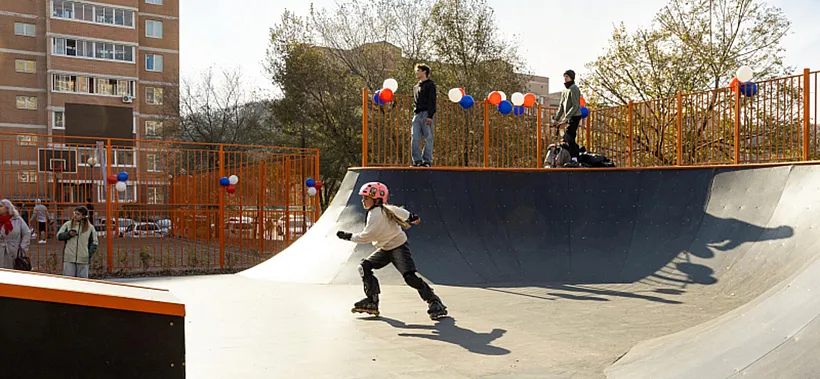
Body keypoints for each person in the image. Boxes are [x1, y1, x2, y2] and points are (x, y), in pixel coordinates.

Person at [336, 182, 448, 320]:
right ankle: (372, 301)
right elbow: (403, 213)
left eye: (366, 198)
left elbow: (367, 236)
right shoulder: (385, 209)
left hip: (398, 247)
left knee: (410, 277)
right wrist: (412, 217)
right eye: (363, 198)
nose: (362, 201)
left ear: (376, 199)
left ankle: (434, 301)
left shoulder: (376, 214)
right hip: (385, 248)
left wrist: (348, 236)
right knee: (364, 266)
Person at [56, 206, 98, 278]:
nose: (75, 215)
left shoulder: (90, 228)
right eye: (75, 213)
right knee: (69, 281)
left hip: (83, 259)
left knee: (82, 282)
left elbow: (95, 242)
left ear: (83, 216)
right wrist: (68, 234)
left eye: (78, 214)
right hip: (69, 258)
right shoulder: (68, 224)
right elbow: (59, 236)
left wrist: (88, 254)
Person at [552, 69, 584, 161]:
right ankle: (576, 154)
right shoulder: (565, 91)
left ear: (571, 78)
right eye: (564, 77)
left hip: (575, 116)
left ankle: (574, 158)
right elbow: (561, 106)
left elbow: (575, 106)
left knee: (569, 136)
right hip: (569, 116)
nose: (565, 78)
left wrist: (566, 118)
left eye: (567, 77)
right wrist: (556, 119)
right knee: (569, 138)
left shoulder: (574, 88)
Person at [411, 63, 437, 167]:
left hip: (426, 113)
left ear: (424, 71)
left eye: (418, 70)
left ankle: (427, 160)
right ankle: (417, 160)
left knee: (428, 137)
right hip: (417, 114)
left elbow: (432, 101)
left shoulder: (430, 85)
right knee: (415, 137)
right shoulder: (416, 87)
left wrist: (430, 115)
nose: (416, 73)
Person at [0, 199, 31, 270]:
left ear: (7, 208)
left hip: (14, 251)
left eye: (1, 206)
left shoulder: (17, 220)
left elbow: (26, 233)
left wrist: (23, 247)